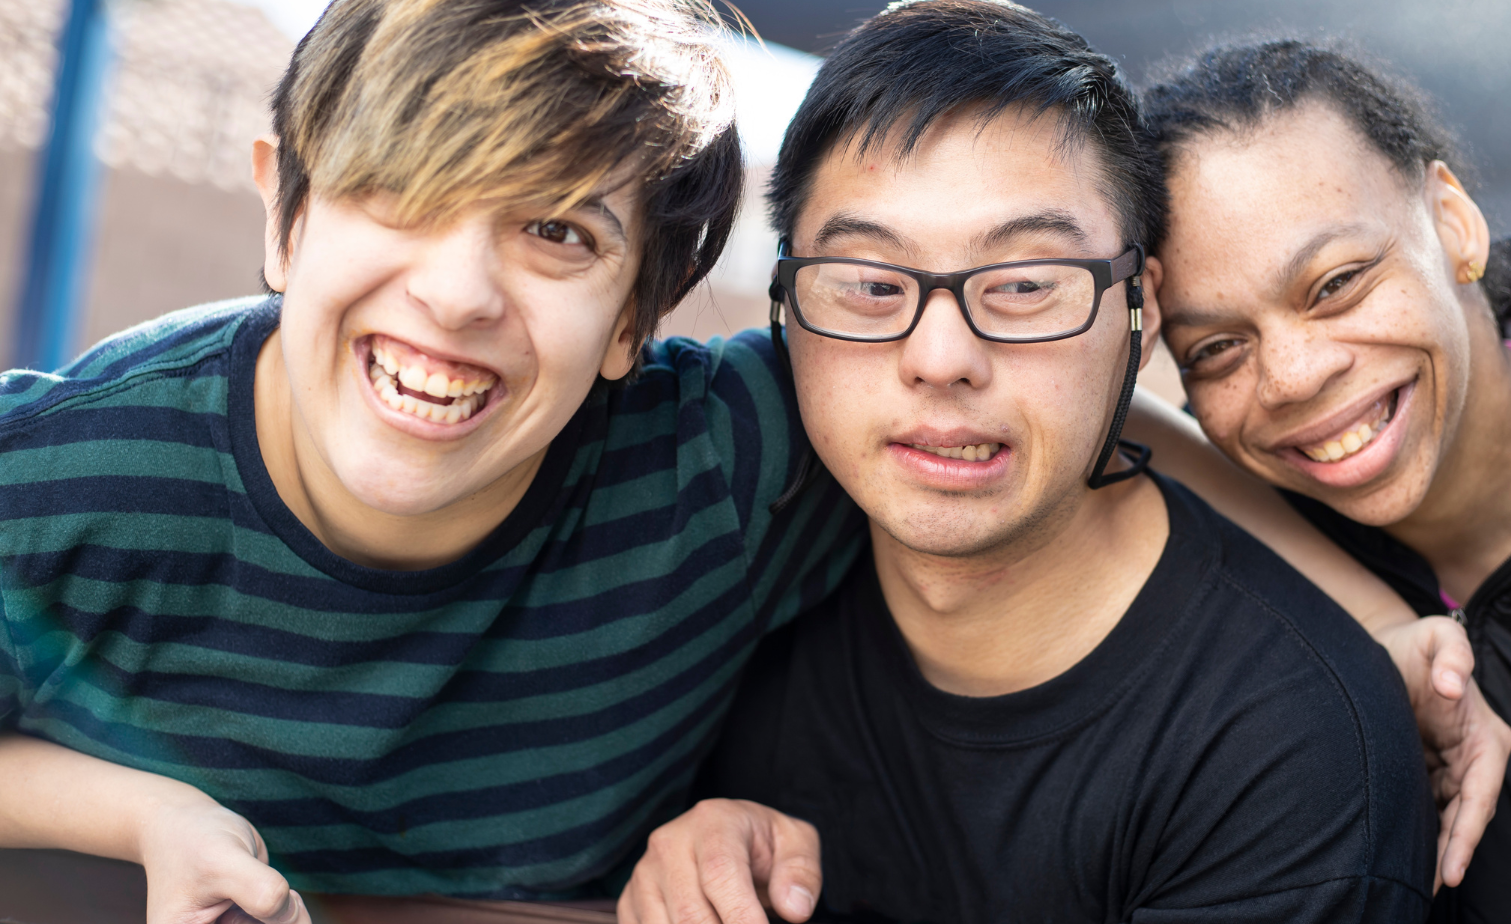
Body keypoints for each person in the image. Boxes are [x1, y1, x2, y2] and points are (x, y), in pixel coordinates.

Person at [0, 1, 867, 919]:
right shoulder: (56, 479)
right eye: (404, 191)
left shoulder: (725, 469)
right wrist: (143, 814)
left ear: (633, 320)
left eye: (557, 230)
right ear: (285, 218)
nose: (456, 297)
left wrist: (734, 818)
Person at [616, 4, 1441, 921]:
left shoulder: (1287, 747)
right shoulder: (743, 580)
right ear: (788, 307)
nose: (940, 356)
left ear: (1143, 312)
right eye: (871, 284)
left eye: (1022, 286)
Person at [1135, 39, 1511, 923]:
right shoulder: (1286, 538)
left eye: (1334, 284)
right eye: (1215, 348)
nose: (1291, 376)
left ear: (1454, 222)